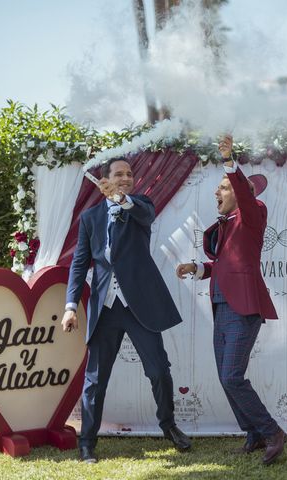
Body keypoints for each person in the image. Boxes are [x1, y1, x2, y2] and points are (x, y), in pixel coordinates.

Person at [61, 157, 191, 463]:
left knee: (159, 370)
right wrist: (69, 306)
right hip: (106, 308)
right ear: (105, 178)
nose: (126, 178)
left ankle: (169, 425)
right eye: (119, 174)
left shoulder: (140, 206)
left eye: (129, 174)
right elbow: (80, 264)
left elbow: (145, 213)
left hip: (139, 306)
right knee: (95, 379)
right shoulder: (91, 218)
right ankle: (87, 442)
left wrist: (121, 199)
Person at [176, 134, 286, 465]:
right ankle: (252, 433)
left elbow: (244, 196)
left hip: (244, 309)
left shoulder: (254, 214)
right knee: (226, 377)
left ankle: (272, 432)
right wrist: (197, 268)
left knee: (231, 377)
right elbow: (223, 266)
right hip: (222, 308)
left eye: (223, 187)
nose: (216, 192)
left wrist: (229, 162)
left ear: (241, 194)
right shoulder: (227, 225)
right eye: (219, 188)